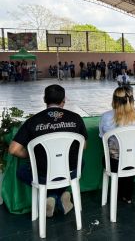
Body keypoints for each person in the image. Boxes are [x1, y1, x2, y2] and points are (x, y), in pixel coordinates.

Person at [8, 84, 88, 217]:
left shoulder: (32, 121)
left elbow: (13, 150)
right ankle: (58, 195)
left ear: (44, 99)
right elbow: (83, 146)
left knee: (22, 171)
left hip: (43, 173)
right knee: (81, 162)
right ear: (64, 100)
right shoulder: (76, 118)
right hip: (70, 171)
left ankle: (51, 196)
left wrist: (32, 155)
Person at [99, 86, 135, 203]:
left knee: (114, 156)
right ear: (131, 100)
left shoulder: (106, 117)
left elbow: (102, 138)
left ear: (114, 100)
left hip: (115, 163)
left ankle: (122, 192)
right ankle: (127, 194)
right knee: (130, 155)